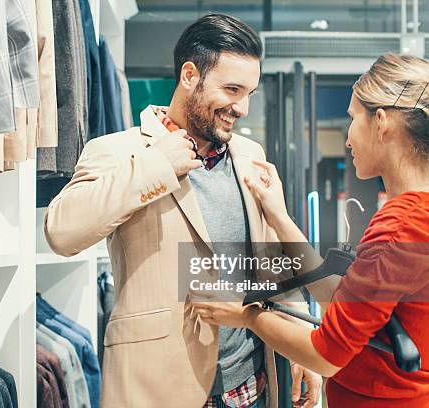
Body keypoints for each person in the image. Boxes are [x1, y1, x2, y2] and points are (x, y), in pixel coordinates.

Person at [44, 13, 321, 408]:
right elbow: (61, 232)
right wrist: (156, 166)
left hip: (252, 385)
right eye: (231, 89)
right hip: (160, 388)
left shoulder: (250, 156)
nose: (242, 107)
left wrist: (299, 339)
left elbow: (272, 258)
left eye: (249, 93)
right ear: (190, 75)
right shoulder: (119, 151)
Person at [192, 53, 429, 407]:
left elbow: (325, 355)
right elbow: (345, 302)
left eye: (352, 119)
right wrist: (280, 218)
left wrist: (247, 316)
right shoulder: (416, 214)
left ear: (381, 122)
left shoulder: (401, 226)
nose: (348, 139)